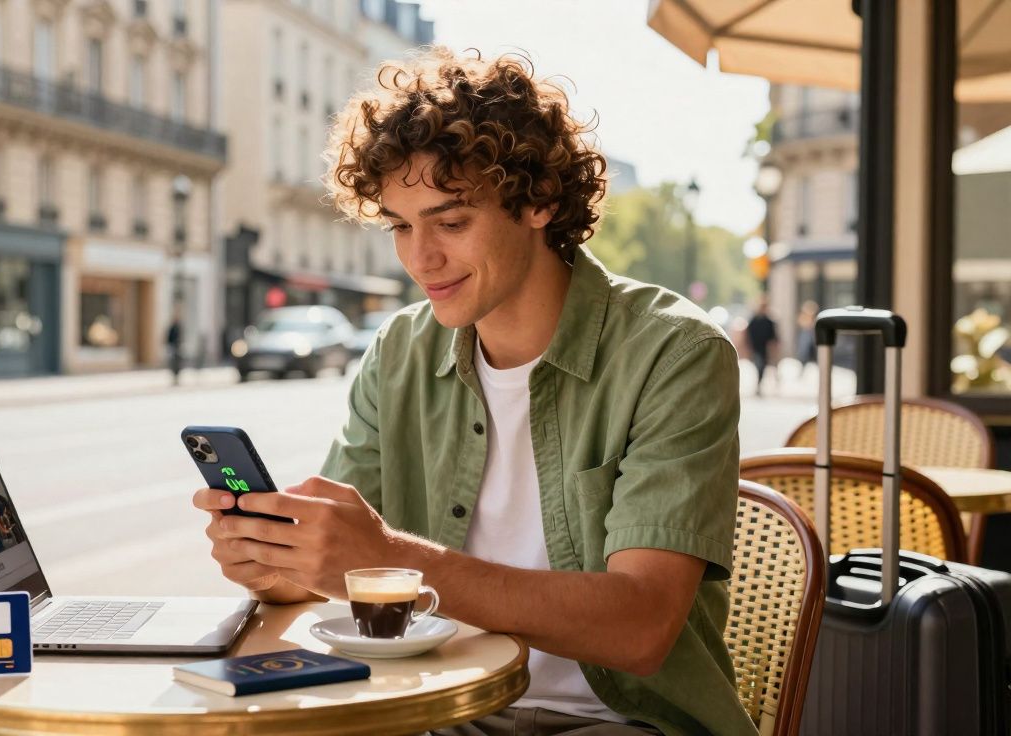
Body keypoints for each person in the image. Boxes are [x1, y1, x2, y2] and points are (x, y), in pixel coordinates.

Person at [192, 48, 754, 735]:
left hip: (623, 723)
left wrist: (392, 559)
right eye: (401, 226)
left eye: (451, 222)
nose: (420, 258)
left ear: (541, 201)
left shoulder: (675, 353)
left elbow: (640, 627)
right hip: (439, 707)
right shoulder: (400, 351)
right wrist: (273, 557)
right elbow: (333, 567)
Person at [745, 297, 779, 396]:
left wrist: (774, 347)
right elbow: (748, 334)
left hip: (764, 348)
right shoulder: (754, 320)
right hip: (756, 347)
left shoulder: (769, 321)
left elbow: (773, 336)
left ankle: (759, 384)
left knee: (762, 366)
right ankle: (758, 384)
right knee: (758, 366)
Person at [796, 300, 819, 374]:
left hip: (811, 336)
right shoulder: (803, 317)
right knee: (804, 352)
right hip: (806, 336)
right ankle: (803, 366)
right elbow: (801, 323)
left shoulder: (815, 318)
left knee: (813, 351)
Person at [166, 307, 184, 385]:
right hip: (173, 347)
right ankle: (174, 377)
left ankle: (177, 378)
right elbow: (169, 337)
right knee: (173, 364)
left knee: (177, 364)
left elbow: (180, 337)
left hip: (177, 348)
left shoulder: (179, 327)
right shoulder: (172, 328)